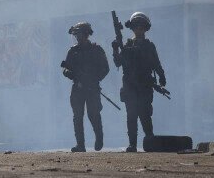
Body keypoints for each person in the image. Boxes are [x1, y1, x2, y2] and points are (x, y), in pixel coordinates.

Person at [112, 12, 166, 153]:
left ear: (145, 28)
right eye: (136, 26)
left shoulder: (149, 46)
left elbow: (156, 63)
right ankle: (132, 144)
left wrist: (162, 77)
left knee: (145, 114)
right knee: (131, 116)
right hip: (130, 86)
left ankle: (150, 140)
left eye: (141, 26)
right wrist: (115, 49)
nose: (139, 29)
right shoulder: (127, 45)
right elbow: (118, 62)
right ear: (133, 28)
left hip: (145, 85)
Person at [61, 22, 109, 152]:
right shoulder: (73, 51)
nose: (77, 37)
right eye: (76, 35)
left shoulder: (96, 50)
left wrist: (93, 80)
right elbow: (65, 69)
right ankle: (80, 145)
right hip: (78, 88)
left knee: (93, 114)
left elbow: (105, 68)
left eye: (79, 34)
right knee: (77, 116)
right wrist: (72, 75)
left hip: (92, 88)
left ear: (86, 34)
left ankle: (99, 137)